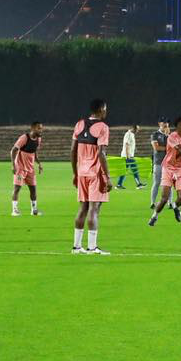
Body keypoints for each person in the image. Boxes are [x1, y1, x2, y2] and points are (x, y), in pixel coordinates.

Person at [70, 99, 112, 254]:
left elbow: (73, 151)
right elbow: (101, 153)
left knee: (83, 208)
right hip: (95, 173)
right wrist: (107, 177)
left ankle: (76, 247)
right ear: (101, 110)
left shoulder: (79, 124)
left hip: (82, 172)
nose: (106, 111)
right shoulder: (103, 127)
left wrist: (75, 173)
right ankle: (92, 247)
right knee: (94, 208)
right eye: (105, 109)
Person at [150, 116, 181, 226]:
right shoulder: (172, 136)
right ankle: (154, 215)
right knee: (164, 198)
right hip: (168, 168)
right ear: (179, 126)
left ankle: (175, 206)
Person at [11, 122, 44, 216]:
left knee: (33, 189)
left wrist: (39, 163)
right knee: (17, 188)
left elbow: (34, 152)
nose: (41, 130)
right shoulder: (24, 138)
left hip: (30, 169)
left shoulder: (38, 139)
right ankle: (14, 210)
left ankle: (34, 210)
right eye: (39, 128)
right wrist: (13, 165)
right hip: (20, 168)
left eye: (41, 128)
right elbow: (13, 150)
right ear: (33, 129)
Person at [115, 124, 145, 190]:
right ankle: (138, 184)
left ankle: (119, 184)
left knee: (125, 171)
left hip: (129, 156)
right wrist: (128, 156)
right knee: (134, 170)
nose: (138, 131)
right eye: (137, 129)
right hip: (127, 156)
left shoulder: (132, 134)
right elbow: (127, 145)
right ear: (133, 128)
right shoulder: (128, 134)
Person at [148, 119, 170, 206]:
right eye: (163, 123)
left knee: (169, 184)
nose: (165, 124)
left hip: (168, 163)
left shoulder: (170, 136)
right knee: (156, 183)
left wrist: (167, 136)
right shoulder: (155, 134)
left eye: (167, 123)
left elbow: (173, 147)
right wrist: (168, 148)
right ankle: (152, 202)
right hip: (158, 162)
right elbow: (156, 148)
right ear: (159, 124)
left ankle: (170, 202)